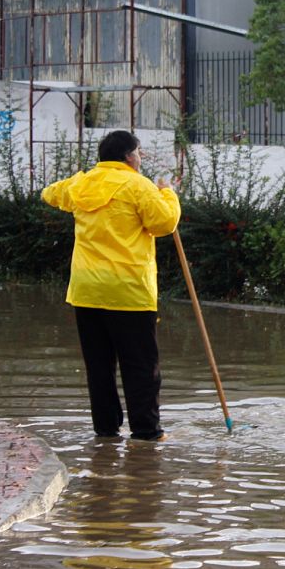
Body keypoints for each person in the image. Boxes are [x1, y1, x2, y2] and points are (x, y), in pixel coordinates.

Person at [42, 130, 181, 441]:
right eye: (139, 153)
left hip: (87, 291)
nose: (141, 159)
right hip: (128, 291)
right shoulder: (138, 186)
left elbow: (50, 193)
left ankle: (106, 432)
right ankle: (146, 433)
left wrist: (77, 181)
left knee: (99, 366)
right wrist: (168, 194)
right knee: (140, 366)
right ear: (129, 157)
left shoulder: (82, 184)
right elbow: (164, 223)